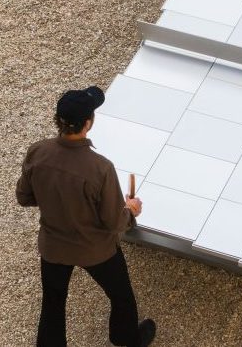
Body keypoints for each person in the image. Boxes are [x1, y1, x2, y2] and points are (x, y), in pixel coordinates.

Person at [17, 86, 156, 347]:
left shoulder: (37, 152)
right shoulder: (100, 168)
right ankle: (125, 338)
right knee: (120, 295)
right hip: (96, 250)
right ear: (88, 123)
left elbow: (24, 197)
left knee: (53, 301)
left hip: (53, 247)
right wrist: (131, 210)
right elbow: (113, 222)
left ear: (58, 120)